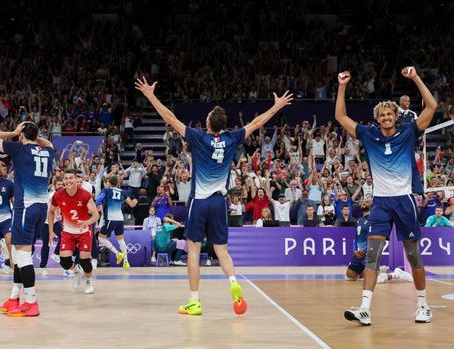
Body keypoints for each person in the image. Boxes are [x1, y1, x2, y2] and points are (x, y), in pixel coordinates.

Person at [135, 76, 293, 315]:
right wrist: (277, 106)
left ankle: (195, 301)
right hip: (220, 201)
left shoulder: (199, 137)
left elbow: (169, 118)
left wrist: (150, 95)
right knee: (222, 251)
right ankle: (233, 283)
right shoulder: (231, 138)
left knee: (194, 250)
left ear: (208, 123)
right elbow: (257, 122)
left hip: (199, 202)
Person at [336, 66, 438, 326]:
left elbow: (432, 106)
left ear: (396, 116)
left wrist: (415, 77)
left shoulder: (408, 132)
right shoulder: (368, 135)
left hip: (404, 200)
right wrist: (342, 85)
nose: (386, 118)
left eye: (390, 114)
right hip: (380, 202)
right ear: (378, 118)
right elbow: (340, 116)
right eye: (382, 115)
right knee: (372, 255)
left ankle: (424, 306)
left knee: (413, 256)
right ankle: (365, 308)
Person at [0, 121, 55, 317]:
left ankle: (31, 302)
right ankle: (14, 297)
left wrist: (13, 132)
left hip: (26, 208)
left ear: (22, 135)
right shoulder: (48, 151)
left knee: (22, 256)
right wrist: (31, 134)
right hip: (41, 208)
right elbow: (47, 143)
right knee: (18, 253)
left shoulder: (19, 149)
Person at [48, 169, 100, 293]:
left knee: (85, 260)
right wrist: (51, 231)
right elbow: (50, 212)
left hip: (84, 231)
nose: (68, 181)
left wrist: (87, 222)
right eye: (66, 178)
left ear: (76, 180)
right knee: (64, 261)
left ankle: (88, 282)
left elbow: (95, 215)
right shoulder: (58, 195)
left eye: (71, 178)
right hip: (68, 232)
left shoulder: (85, 194)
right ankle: (76, 271)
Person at [345, 198, 413, 284]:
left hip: (370, 252)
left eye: (366, 201)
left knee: (376, 281)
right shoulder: (359, 220)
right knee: (349, 276)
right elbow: (356, 237)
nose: (363, 203)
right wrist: (355, 250)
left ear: (372, 205)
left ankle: (396, 274)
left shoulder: (375, 219)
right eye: (362, 201)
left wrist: (365, 250)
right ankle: (375, 271)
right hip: (359, 254)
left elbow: (378, 239)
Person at [95, 175, 138, 268]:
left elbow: (99, 200)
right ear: (118, 183)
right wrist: (136, 201)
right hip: (120, 219)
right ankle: (126, 262)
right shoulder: (123, 192)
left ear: (109, 183)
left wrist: (94, 206)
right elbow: (131, 204)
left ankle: (117, 253)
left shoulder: (106, 190)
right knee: (121, 240)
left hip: (111, 218)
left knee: (101, 238)